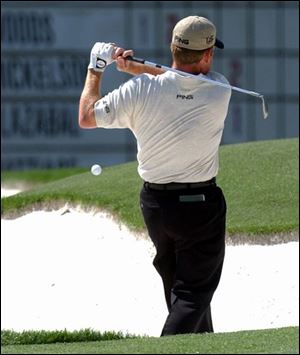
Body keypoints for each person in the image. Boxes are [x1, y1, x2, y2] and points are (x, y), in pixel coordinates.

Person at [78, 15, 231, 336]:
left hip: (157, 207)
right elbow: (181, 80)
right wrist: (138, 68)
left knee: (180, 292)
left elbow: (87, 117)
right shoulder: (220, 89)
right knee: (193, 295)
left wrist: (97, 69)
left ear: (173, 46)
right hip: (201, 207)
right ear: (207, 55)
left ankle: (204, 345)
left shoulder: (138, 90)